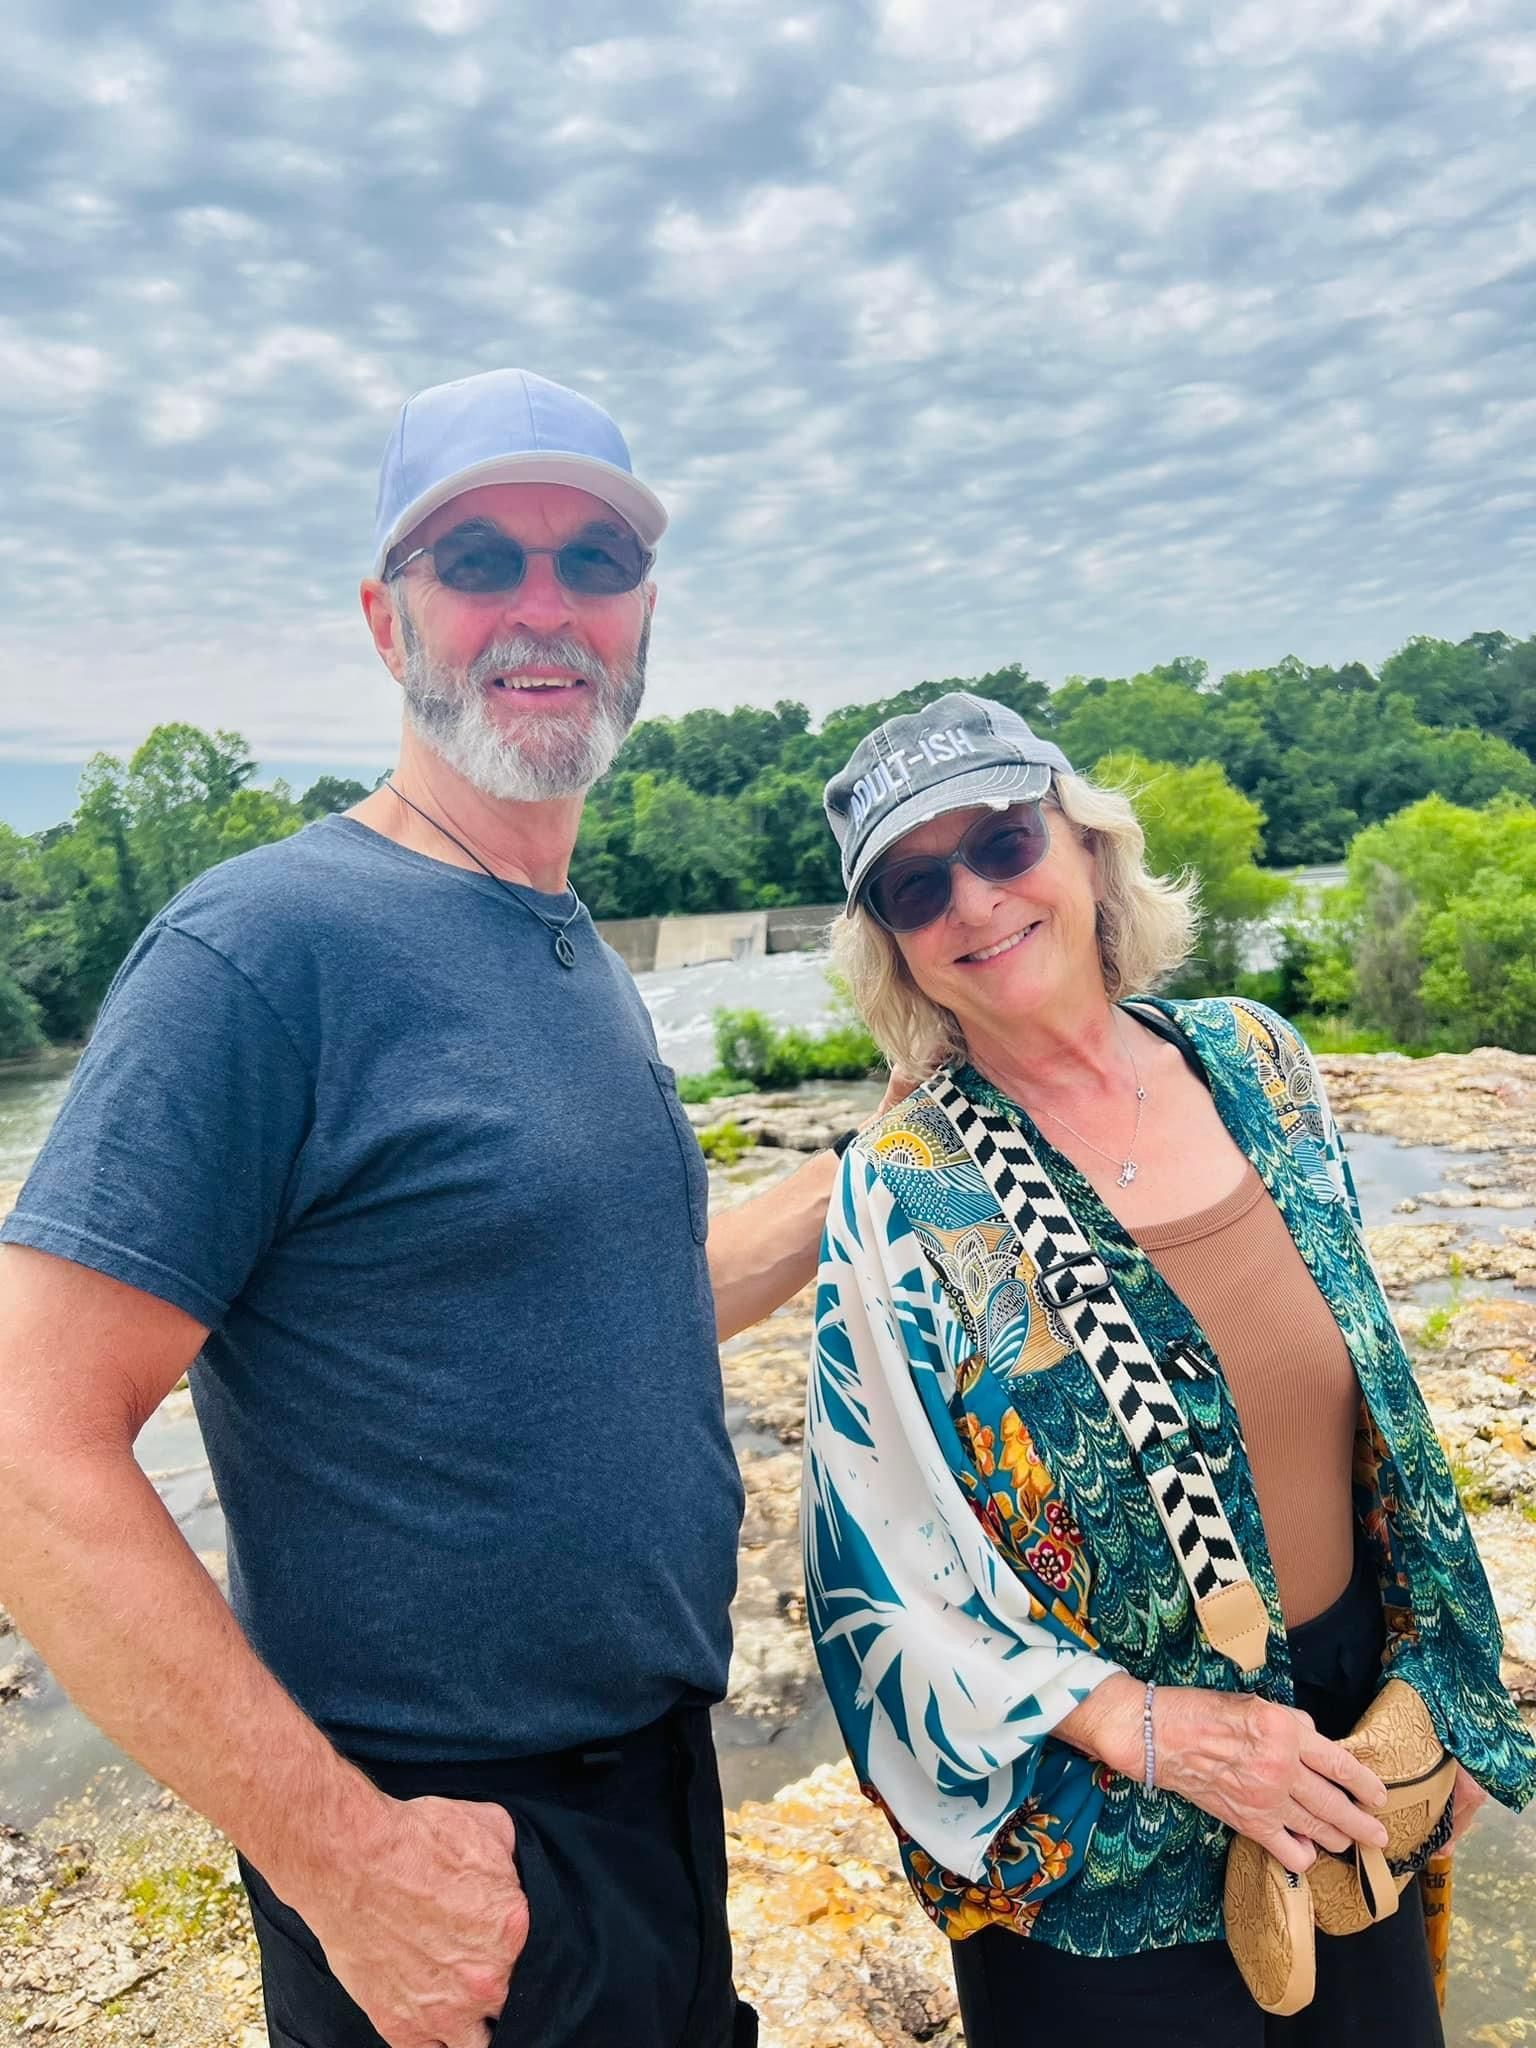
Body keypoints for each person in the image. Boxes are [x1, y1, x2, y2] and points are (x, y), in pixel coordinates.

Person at [0, 369, 882, 2048]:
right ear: (383, 615)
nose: (543, 607)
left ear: (644, 615)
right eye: (479, 556)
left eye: (593, 562)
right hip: (439, 1839)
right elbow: (28, 1443)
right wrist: (342, 1859)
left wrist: (878, 1166)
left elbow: (613, 1300)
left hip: (658, 1797)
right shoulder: (262, 955)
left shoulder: (565, 947)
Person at [802, 692, 1536, 2047]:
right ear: (895, 945)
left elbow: (1377, 1411)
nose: (974, 899)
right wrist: (1164, 1734)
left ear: (1087, 848)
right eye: (918, 884)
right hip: (1103, 1825)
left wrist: (1446, 1694)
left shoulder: (1260, 1059)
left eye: (1005, 842)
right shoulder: (907, 1196)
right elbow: (874, 1575)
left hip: (1352, 1758)